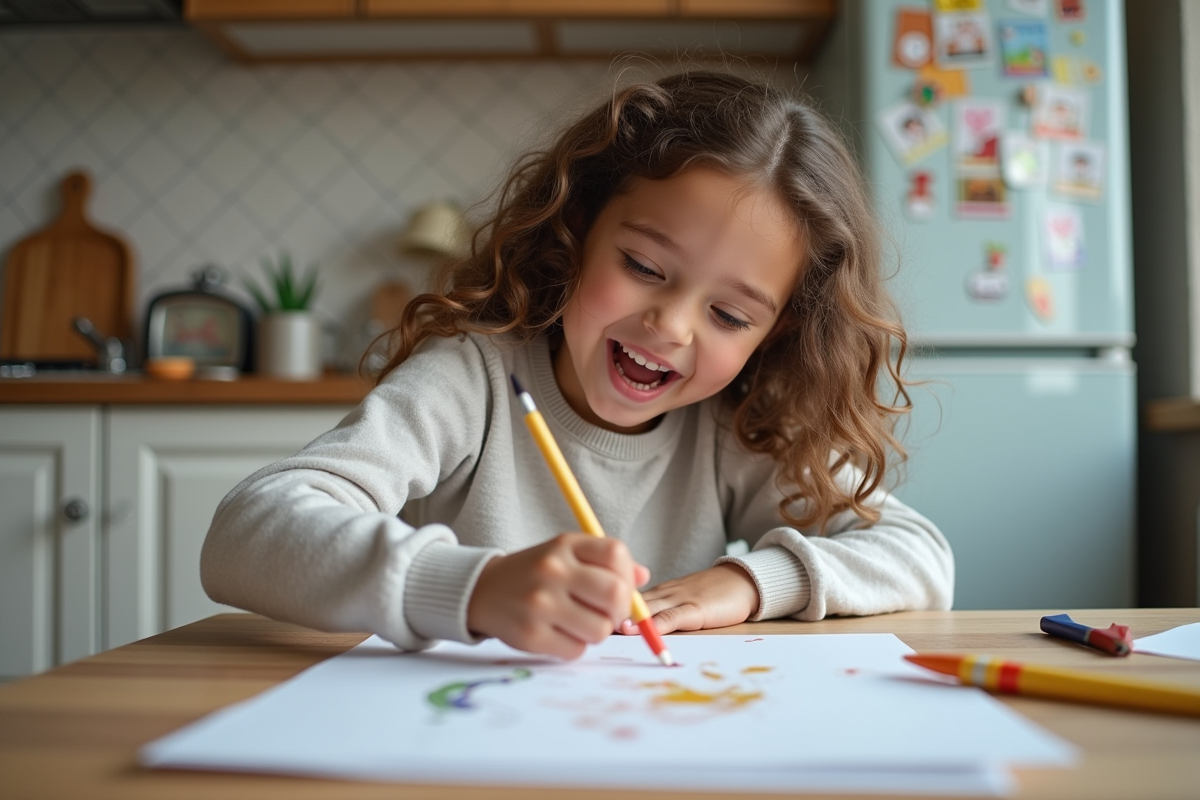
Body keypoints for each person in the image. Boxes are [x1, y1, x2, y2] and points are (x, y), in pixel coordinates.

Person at [201, 70, 954, 660]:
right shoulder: (472, 381)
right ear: (578, 228)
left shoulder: (735, 428)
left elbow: (920, 556)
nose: (671, 326)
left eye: (729, 315)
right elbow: (245, 531)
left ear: (776, 331)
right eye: (643, 266)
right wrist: (472, 588)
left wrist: (752, 582)